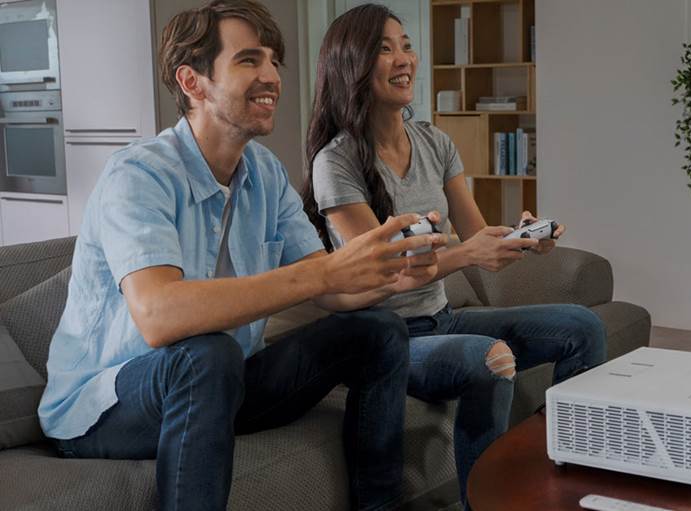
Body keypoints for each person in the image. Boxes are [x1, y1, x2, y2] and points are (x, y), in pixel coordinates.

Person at [37, 2, 445, 510]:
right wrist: (321, 274)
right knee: (206, 354)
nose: (272, 76)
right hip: (106, 405)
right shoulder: (138, 174)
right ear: (193, 82)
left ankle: (378, 505)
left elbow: (333, 286)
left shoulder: (264, 173)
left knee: (378, 331)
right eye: (249, 60)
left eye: (274, 61)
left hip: (222, 381)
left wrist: (394, 273)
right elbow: (160, 317)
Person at [301, 4, 607, 506]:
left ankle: (570, 479)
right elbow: (382, 272)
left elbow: (479, 236)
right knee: (492, 360)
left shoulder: (435, 142)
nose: (404, 59)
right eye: (384, 49)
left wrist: (523, 239)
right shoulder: (335, 162)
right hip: (387, 340)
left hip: (442, 319)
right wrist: (468, 254)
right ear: (350, 65)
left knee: (582, 327)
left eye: (406, 45)